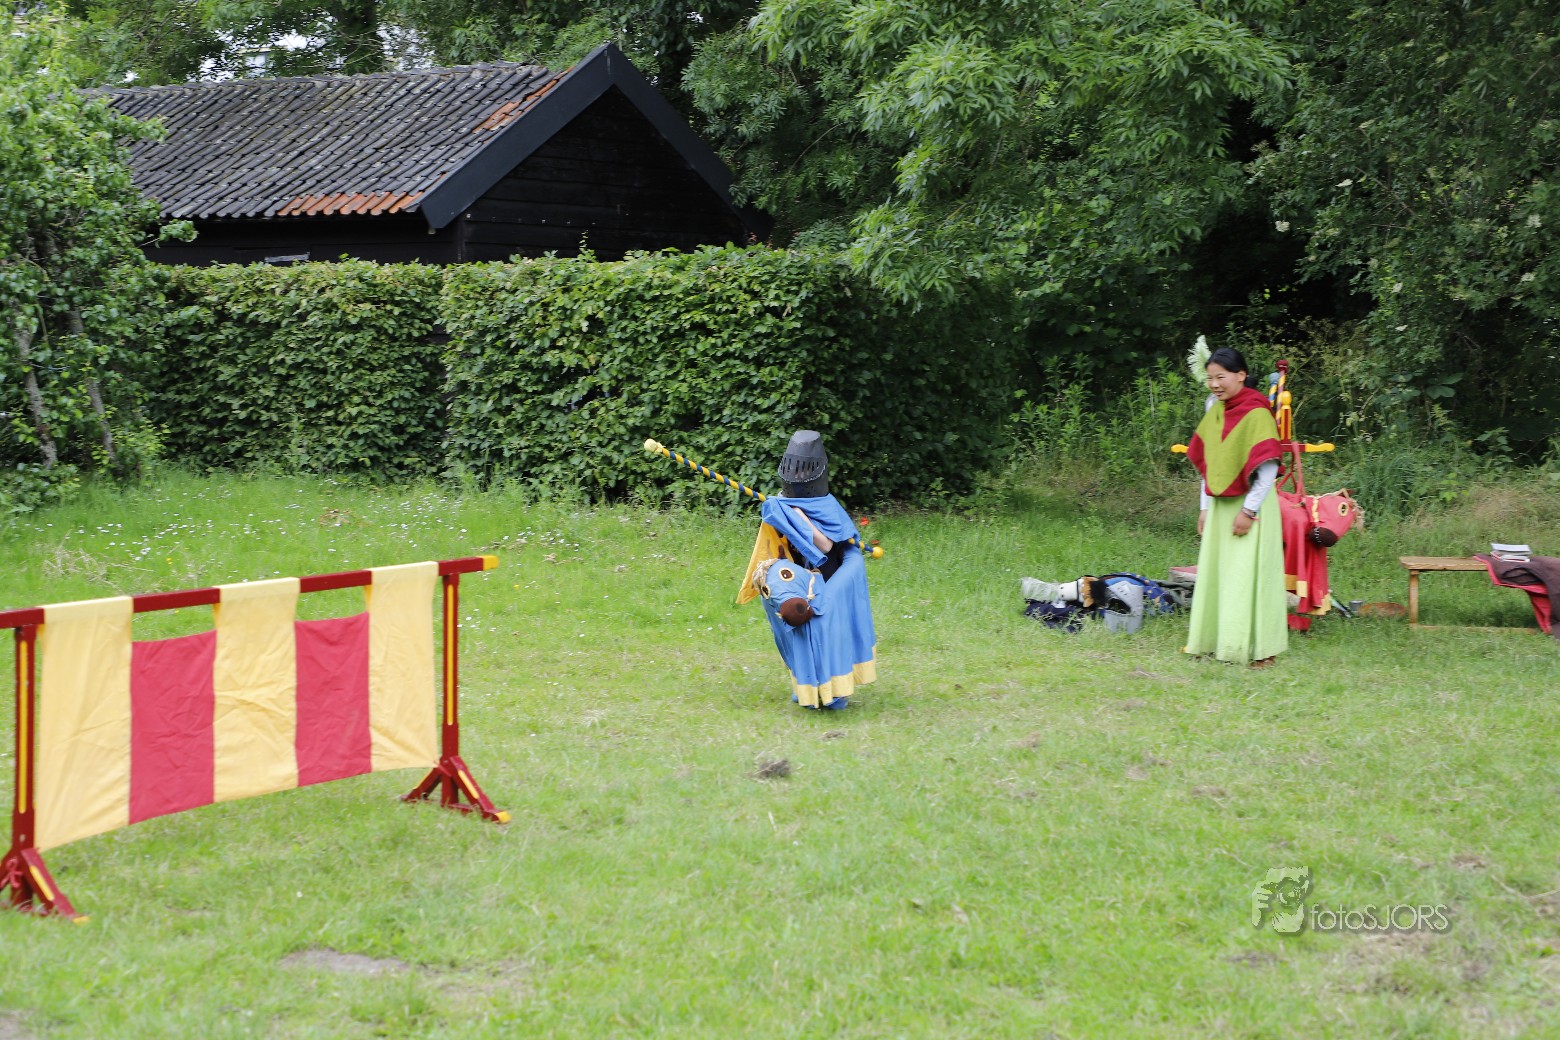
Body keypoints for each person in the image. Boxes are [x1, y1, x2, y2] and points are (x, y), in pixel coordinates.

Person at [738, 430, 877, 709]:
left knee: (823, 632)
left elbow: (826, 546)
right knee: (794, 628)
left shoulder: (826, 507)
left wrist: (801, 520)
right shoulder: (783, 503)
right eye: (794, 471)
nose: (797, 477)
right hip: (802, 577)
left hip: (829, 579)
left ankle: (834, 692)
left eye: (803, 471)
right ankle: (807, 685)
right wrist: (781, 513)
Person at [1184, 347, 1288, 666]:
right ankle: (1218, 642)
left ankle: (1260, 650)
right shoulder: (1214, 408)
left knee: (1249, 576)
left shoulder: (1257, 411)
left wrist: (1248, 512)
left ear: (1241, 375)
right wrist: (1205, 507)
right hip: (1219, 505)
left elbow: (1267, 469)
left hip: (1251, 508)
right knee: (1218, 574)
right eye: (1210, 378)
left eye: (1221, 377)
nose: (1215, 384)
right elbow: (1210, 464)